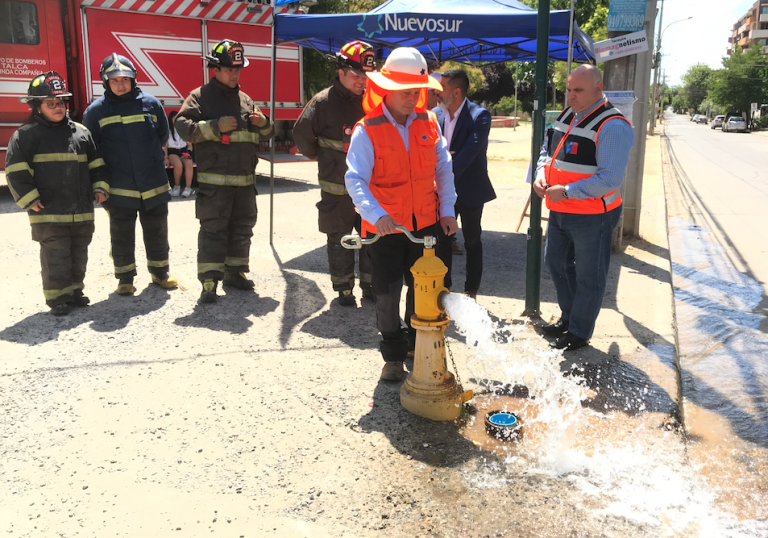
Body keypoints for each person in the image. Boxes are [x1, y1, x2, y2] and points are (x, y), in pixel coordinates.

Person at [345, 47, 458, 382]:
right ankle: (392, 354)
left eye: (418, 91)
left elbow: (444, 170)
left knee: (425, 287)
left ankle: (415, 345)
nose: (414, 98)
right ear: (388, 89)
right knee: (388, 291)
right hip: (385, 230)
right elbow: (355, 179)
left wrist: (448, 210)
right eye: (406, 91)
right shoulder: (367, 129)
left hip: (426, 225)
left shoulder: (429, 122)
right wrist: (375, 213)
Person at [533, 64, 634, 351]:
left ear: (598, 88)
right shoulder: (569, 114)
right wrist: (542, 173)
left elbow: (611, 179)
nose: (570, 95)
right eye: (568, 89)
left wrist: (566, 191)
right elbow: (547, 151)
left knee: (590, 275)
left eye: (578, 90)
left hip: (593, 214)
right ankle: (569, 318)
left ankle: (579, 331)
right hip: (560, 207)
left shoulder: (612, 125)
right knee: (556, 263)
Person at [175, 39, 275, 303]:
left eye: (237, 70)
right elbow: (183, 126)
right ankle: (209, 281)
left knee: (243, 228)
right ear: (215, 69)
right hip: (215, 185)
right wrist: (215, 126)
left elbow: (268, 133)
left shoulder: (245, 100)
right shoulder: (200, 96)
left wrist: (264, 123)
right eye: (229, 69)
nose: (234, 74)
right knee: (214, 231)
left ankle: (236, 273)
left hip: (245, 183)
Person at [5, 71, 110, 315]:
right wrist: (29, 198)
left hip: (81, 211)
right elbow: (15, 171)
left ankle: (74, 291)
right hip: (48, 212)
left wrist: (100, 187)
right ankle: (58, 298)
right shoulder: (25, 136)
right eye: (51, 103)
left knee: (79, 253)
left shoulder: (81, 133)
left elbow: (97, 164)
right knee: (56, 255)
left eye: (61, 102)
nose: (58, 107)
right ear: (37, 106)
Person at [83, 53, 178, 296]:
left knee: (157, 230)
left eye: (125, 78)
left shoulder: (151, 103)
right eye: (114, 80)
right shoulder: (95, 111)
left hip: (153, 183)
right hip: (119, 186)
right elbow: (91, 150)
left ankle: (160, 273)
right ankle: (125, 279)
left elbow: (162, 136)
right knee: (121, 234)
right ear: (106, 83)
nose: (121, 84)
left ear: (133, 79)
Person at [293, 40, 377, 307]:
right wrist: (324, 159)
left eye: (366, 75)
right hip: (336, 187)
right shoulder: (323, 102)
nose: (362, 81)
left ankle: (371, 286)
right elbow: (301, 134)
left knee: (370, 238)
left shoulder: (372, 101)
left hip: (369, 188)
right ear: (340, 71)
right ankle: (343, 288)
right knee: (340, 238)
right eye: (356, 75)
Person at [433, 68, 496, 300]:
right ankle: (444, 291)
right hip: (440, 192)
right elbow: (429, 150)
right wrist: (443, 158)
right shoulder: (434, 115)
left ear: (456, 92)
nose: (437, 92)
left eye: (443, 88)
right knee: (442, 242)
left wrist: (443, 163)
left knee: (472, 241)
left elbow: (469, 153)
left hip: (469, 190)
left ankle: (471, 292)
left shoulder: (479, 115)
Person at [165, 110, 194, 198]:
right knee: (178, 164)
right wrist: (165, 158)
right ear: (171, 120)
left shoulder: (184, 131)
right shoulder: (168, 131)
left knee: (189, 163)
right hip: (172, 152)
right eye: (175, 119)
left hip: (183, 151)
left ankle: (188, 188)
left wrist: (188, 153)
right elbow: (165, 146)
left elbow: (189, 145)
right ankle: (177, 186)